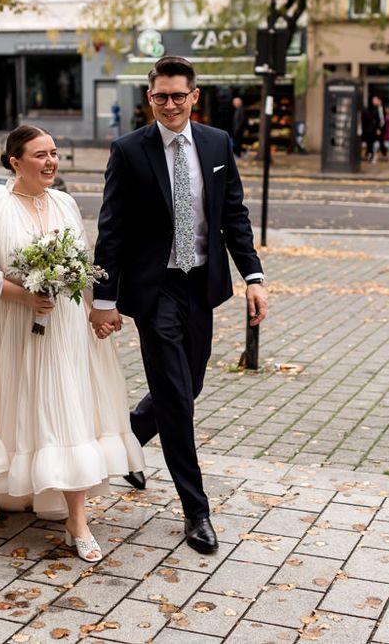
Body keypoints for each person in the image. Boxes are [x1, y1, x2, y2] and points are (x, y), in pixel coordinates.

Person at [0, 125, 145, 563]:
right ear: (15, 162)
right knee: (9, 408)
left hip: (63, 330)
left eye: (54, 153)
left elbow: (82, 264)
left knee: (67, 413)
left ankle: (75, 520)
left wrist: (98, 310)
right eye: (40, 155)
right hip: (12, 327)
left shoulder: (64, 203)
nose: (51, 162)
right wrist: (24, 294)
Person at [89, 56, 267, 554]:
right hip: (154, 289)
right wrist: (106, 298)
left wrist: (252, 276)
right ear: (150, 99)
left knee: (188, 386)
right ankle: (196, 510)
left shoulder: (216, 143)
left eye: (178, 95)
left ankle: (126, 445)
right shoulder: (128, 151)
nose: (169, 104)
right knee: (174, 393)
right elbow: (112, 229)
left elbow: (233, 213)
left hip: (201, 285)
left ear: (194, 96)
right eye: (160, 97)